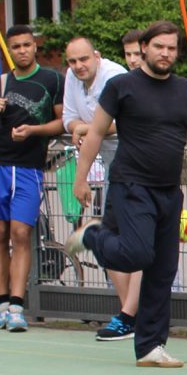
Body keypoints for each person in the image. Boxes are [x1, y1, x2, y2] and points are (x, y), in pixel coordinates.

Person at [69, 20, 187, 367]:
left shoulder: (185, 91)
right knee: (136, 254)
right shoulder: (122, 86)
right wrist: (80, 179)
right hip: (131, 186)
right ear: (144, 48)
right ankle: (93, 235)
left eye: (172, 48)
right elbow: (96, 132)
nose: (166, 53)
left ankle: (150, 346)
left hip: (169, 191)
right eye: (159, 46)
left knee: (163, 271)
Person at [0, 25, 64, 333]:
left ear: (35, 46)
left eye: (27, 45)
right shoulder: (2, 82)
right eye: (16, 46)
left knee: (21, 232)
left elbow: (62, 122)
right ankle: (1, 304)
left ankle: (17, 305)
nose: (22, 50)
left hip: (29, 167)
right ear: (10, 51)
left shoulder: (52, 79)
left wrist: (33, 131)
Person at [61, 36, 139, 341]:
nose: (78, 66)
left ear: (97, 56)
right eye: (72, 61)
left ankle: (133, 314)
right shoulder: (72, 78)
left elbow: (123, 121)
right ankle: (129, 314)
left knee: (139, 242)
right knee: (125, 241)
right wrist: (81, 127)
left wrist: (88, 127)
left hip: (134, 162)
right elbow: (69, 119)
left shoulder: (114, 76)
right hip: (111, 165)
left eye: (83, 59)